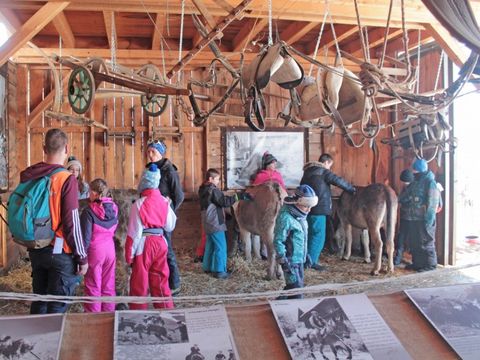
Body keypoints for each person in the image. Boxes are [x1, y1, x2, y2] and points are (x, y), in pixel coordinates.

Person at [20, 129, 88, 314]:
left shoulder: (30, 175)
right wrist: (82, 257)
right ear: (66, 148)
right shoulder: (66, 179)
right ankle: (52, 342)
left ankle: (35, 342)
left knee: (40, 301)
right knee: (57, 307)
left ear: (44, 148)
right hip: (59, 252)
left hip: (36, 248)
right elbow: (71, 221)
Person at [125, 164, 177, 309]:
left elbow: (133, 234)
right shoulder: (164, 202)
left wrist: (129, 256)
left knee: (139, 283)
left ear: (143, 182)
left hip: (144, 244)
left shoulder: (139, 204)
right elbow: (170, 225)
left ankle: (138, 317)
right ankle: (166, 312)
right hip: (161, 242)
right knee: (161, 280)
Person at [300, 154, 355, 271]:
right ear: (326, 163)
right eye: (330, 165)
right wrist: (352, 189)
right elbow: (338, 181)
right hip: (319, 209)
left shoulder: (307, 173)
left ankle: (306, 259)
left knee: (309, 234)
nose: (330, 168)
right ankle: (311, 262)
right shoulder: (323, 172)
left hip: (306, 208)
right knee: (318, 236)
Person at [146, 139, 184, 295]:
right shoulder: (149, 169)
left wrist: (169, 211)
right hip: (150, 215)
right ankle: (156, 282)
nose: (150, 154)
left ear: (161, 152)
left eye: (153, 151)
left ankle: (174, 284)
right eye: (148, 151)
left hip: (162, 217)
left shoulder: (170, 171)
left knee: (167, 249)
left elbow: (179, 196)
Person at [80, 178, 118, 312]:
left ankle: (93, 320)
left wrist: (82, 258)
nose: (88, 195)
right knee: (108, 285)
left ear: (95, 194)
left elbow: (85, 238)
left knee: (93, 286)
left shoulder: (89, 211)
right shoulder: (114, 208)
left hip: (96, 251)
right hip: (110, 249)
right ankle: (109, 316)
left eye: (90, 192)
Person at [199, 168, 244, 279]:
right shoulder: (213, 190)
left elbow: (218, 200)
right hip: (215, 222)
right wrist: (238, 196)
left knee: (210, 244)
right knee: (221, 246)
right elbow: (224, 202)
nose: (218, 181)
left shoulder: (202, 189)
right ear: (211, 179)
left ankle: (207, 267)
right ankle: (219, 271)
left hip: (207, 221)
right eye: (217, 179)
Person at [274, 184, 318, 299]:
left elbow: (301, 239)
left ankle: (276, 306)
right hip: (290, 261)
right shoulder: (286, 218)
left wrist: (306, 254)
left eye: (310, 207)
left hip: (299, 259)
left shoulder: (301, 216)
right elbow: (278, 240)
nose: (308, 210)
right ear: (297, 202)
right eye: (305, 206)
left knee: (292, 288)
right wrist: (283, 261)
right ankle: (294, 314)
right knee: (296, 291)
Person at [402, 158, 441, 272]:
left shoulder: (430, 183)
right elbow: (408, 195)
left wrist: (428, 221)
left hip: (425, 219)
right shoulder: (416, 182)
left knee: (426, 241)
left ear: (418, 170)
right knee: (415, 242)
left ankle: (430, 265)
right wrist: (398, 199)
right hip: (415, 218)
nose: (412, 172)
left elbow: (433, 204)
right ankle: (418, 264)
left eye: (414, 170)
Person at [394, 169, 415, 265]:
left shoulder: (413, 188)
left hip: (413, 218)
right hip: (405, 217)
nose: (404, 183)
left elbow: (402, 199)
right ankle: (398, 258)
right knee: (401, 238)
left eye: (405, 181)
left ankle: (414, 260)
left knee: (411, 239)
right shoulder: (406, 187)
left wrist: (398, 199)